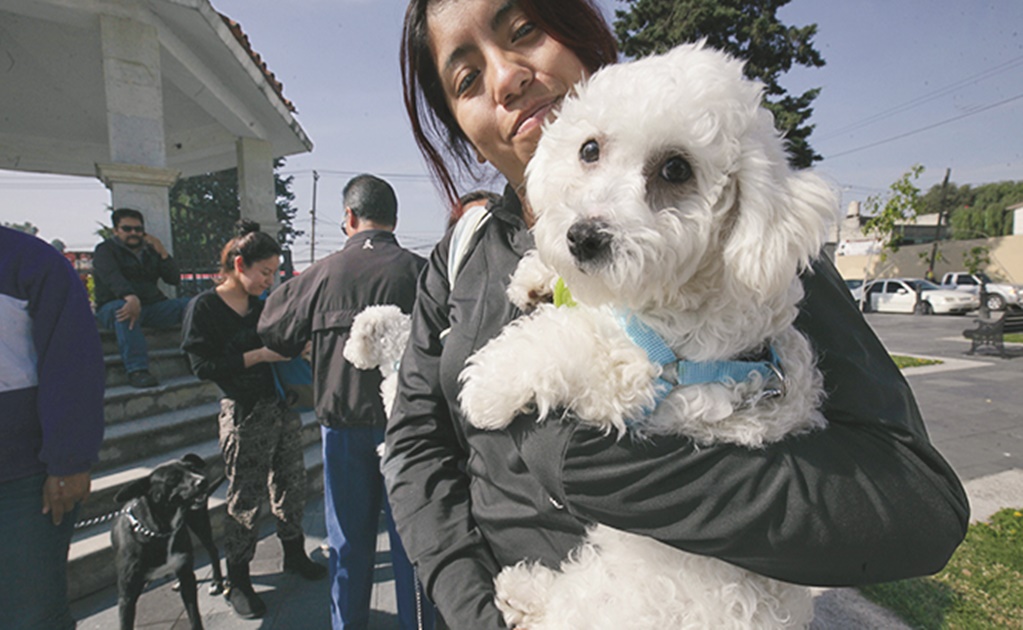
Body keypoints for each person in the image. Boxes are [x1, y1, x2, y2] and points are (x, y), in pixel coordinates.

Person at [382, 1, 971, 628]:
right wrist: (471, 610)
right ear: (457, 122)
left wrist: (603, 469)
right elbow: (417, 446)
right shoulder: (462, 252)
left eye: (523, 30)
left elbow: (918, 508)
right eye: (466, 79)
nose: (505, 79)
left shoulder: (747, 257)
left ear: (583, 31)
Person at [258, 174, 437, 630]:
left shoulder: (322, 273)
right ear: (394, 221)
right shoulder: (422, 272)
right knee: (413, 542)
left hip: (342, 429)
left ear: (350, 217)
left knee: (349, 542)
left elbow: (273, 330)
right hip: (410, 429)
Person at [180, 220, 326, 620]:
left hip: (280, 405)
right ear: (239, 265)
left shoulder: (264, 305)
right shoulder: (205, 308)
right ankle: (238, 579)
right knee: (245, 498)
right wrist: (258, 356)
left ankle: (293, 554)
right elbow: (201, 364)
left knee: (290, 483)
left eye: (274, 271)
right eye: (265, 272)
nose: (270, 279)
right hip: (244, 412)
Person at [0, 226, 105, 630]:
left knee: (31, 615)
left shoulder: (30, 262)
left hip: (19, 480)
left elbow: (72, 364)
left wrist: (69, 460)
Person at [94, 207, 190, 388]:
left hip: (151, 307)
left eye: (138, 229)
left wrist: (162, 253)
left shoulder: (150, 251)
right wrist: (129, 297)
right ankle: (137, 370)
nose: (134, 233)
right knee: (123, 310)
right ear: (116, 230)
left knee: (192, 305)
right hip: (113, 306)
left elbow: (173, 279)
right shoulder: (105, 250)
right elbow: (112, 277)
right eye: (127, 229)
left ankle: (193, 354)